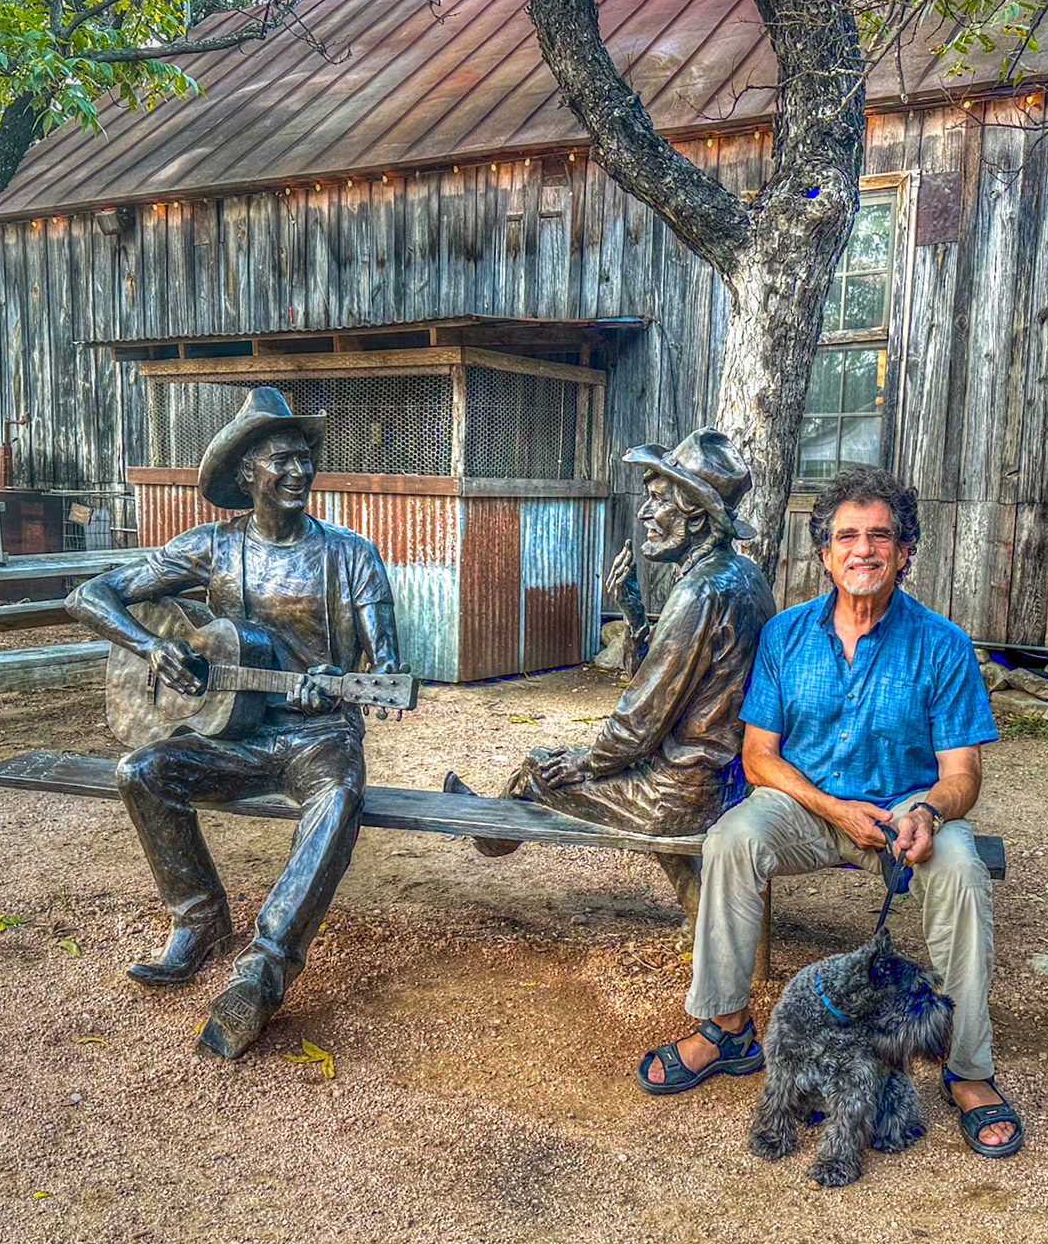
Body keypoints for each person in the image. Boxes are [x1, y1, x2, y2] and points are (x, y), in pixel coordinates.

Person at [637, 465, 1022, 1159]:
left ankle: (968, 1069)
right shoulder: (786, 635)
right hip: (807, 805)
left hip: (906, 810)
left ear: (905, 551)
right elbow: (759, 759)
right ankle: (726, 1028)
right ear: (824, 553)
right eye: (847, 536)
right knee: (731, 839)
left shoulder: (941, 645)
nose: (863, 550)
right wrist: (833, 809)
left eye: (881, 536)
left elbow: (962, 774)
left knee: (963, 869)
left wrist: (931, 813)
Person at [67, 387, 404, 1059]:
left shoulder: (351, 555)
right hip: (234, 734)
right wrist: (150, 645)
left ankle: (262, 970)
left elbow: (391, 670)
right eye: (281, 459)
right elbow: (88, 594)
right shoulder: (212, 550)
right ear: (247, 474)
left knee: (338, 797)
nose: (299, 471)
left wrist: (339, 684)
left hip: (320, 737)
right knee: (143, 770)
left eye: (304, 458)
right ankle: (199, 919)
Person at [445, 428, 775, 918]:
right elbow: (679, 696)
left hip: (683, 793)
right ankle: (704, 916)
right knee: (616, 767)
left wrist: (588, 761)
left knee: (541, 767)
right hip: (720, 779)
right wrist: (637, 616)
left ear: (699, 517)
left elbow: (641, 718)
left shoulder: (699, 594)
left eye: (659, 500)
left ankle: (487, 833)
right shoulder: (744, 577)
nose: (644, 513)